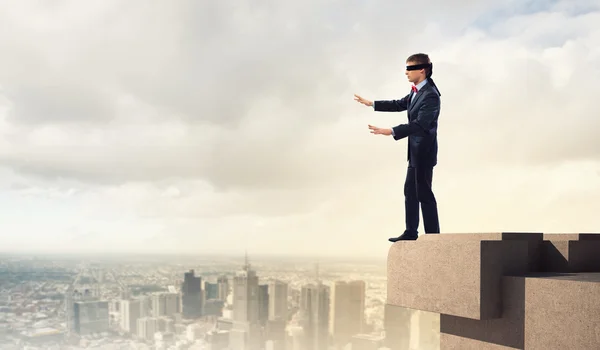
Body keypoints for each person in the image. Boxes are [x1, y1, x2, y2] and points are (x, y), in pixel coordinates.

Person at [354, 53, 441, 242]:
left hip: (424, 152)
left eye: (410, 68)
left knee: (424, 193)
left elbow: (420, 125)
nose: (406, 72)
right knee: (410, 191)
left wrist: (391, 131)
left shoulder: (431, 96)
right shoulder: (416, 91)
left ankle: (434, 237)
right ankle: (411, 232)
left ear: (422, 70)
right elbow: (400, 104)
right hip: (415, 152)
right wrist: (372, 104)